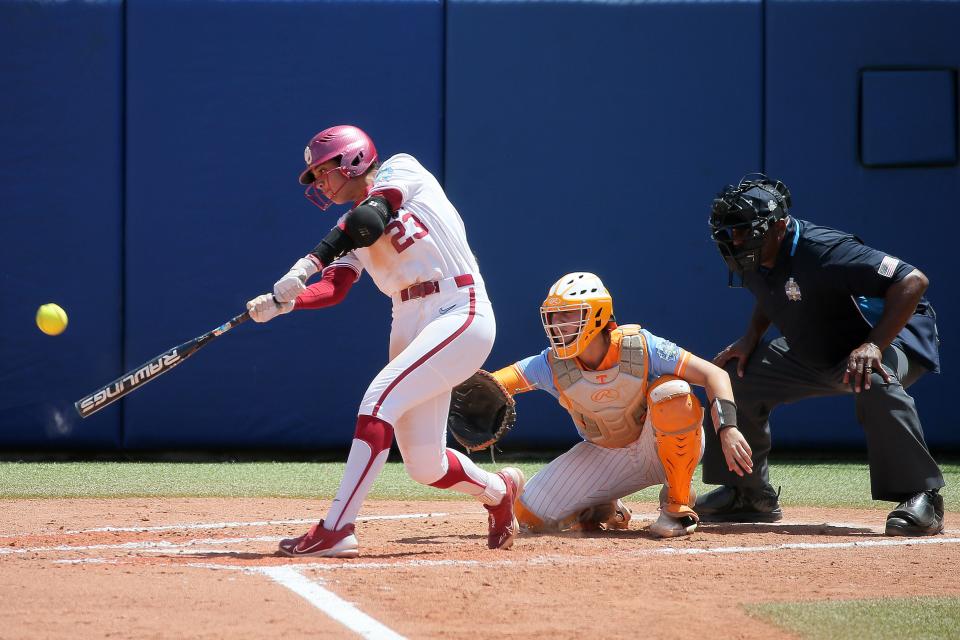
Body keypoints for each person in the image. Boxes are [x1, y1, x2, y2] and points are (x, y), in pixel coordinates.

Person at [245, 125, 524, 557]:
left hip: (458, 306)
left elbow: (370, 218)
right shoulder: (346, 229)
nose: (319, 183)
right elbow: (335, 288)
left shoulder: (402, 170)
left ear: (354, 160)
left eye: (323, 172)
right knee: (424, 463)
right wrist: (287, 303)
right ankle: (498, 491)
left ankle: (337, 528)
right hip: (408, 318)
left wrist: (307, 262)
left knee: (378, 402)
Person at [701, 174, 945, 536]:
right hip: (818, 344)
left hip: (890, 338)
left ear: (779, 227)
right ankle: (749, 494)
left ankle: (922, 495)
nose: (734, 240)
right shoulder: (753, 255)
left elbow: (913, 281)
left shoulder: (826, 250)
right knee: (734, 377)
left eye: (744, 231)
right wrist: (750, 337)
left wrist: (875, 344)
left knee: (873, 378)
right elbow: (772, 293)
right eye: (729, 232)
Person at [488, 272, 752, 537]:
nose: (558, 324)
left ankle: (677, 503)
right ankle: (604, 507)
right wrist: (463, 395)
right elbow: (493, 385)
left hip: (659, 446)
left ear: (598, 315)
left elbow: (714, 374)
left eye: (568, 315)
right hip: (607, 455)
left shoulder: (641, 346)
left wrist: (727, 428)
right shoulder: (548, 363)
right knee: (529, 514)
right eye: (554, 317)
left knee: (673, 391)